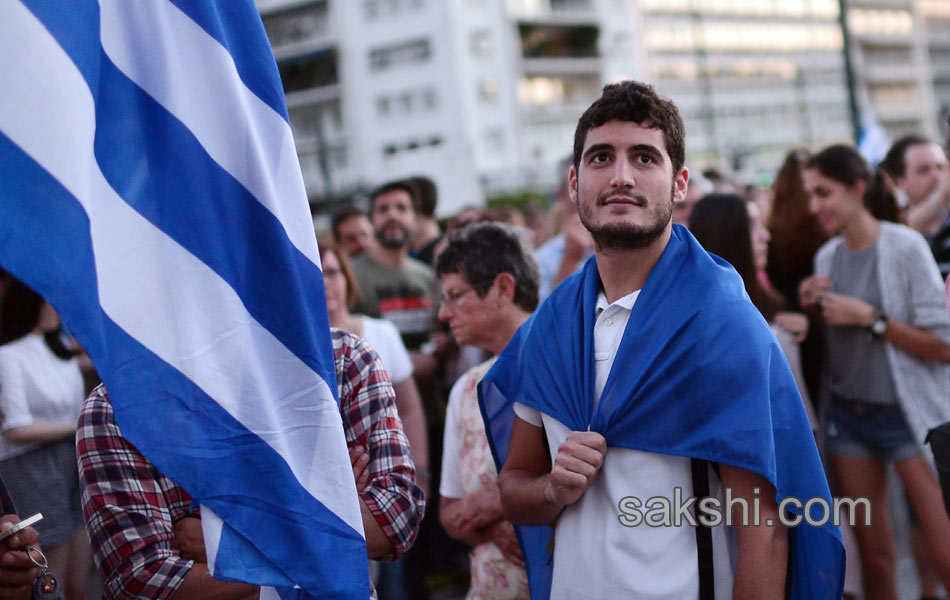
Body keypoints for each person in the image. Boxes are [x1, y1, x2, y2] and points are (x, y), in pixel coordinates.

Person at [486, 80, 843, 599]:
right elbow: (514, 489)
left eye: (645, 158)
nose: (622, 176)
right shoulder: (550, 325)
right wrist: (551, 488)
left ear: (679, 184)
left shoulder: (719, 322)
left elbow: (763, 530)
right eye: (601, 157)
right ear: (574, 182)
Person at [77, 329, 425, 599]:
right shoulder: (118, 407)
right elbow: (141, 581)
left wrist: (225, 546)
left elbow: (394, 519)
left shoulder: (342, 360)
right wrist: (329, 505)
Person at [800, 144, 950, 600]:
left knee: (945, 550)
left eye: (823, 193)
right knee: (875, 560)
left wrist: (873, 319)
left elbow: (944, 345)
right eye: (810, 195)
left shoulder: (904, 246)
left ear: (857, 188)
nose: (815, 206)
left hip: (907, 417)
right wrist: (810, 314)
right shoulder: (825, 258)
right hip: (849, 419)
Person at [435, 223, 538, 600]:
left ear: (503, 288)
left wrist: (498, 500)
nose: (444, 314)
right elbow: (449, 512)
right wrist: (494, 526)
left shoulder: (569, 367)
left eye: (455, 295)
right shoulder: (466, 390)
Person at [688, 193, 816, 427]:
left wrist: (811, 326)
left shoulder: (768, 297)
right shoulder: (696, 320)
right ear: (725, 235)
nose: (765, 236)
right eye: (751, 226)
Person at [0, 278, 89, 600]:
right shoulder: (8, 354)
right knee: (50, 583)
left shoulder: (57, 349)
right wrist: (78, 424)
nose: (57, 308)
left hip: (71, 462)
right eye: (50, 300)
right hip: (31, 468)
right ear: (30, 303)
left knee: (79, 580)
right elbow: (16, 428)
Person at [319, 242, 430, 492]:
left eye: (332, 272)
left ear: (347, 277)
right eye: (316, 271)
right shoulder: (297, 345)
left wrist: (420, 473)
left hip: (391, 483)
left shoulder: (383, 332)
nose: (325, 282)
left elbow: (410, 407)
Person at [880, 134, 950, 237]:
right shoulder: (890, 226)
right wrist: (940, 200)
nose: (936, 175)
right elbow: (901, 234)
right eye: (924, 170)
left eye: (940, 167)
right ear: (900, 182)